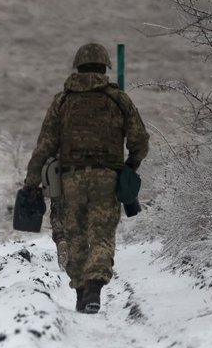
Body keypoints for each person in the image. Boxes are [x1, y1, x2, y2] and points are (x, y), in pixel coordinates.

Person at [22, 43, 149, 313]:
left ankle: (81, 289)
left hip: (71, 180)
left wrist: (31, 181)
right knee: (102, 234)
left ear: (78, 67)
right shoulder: (118, 99)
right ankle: (94, 287)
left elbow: (44, 146)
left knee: (75, 235)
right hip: (107, 178)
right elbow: (140, 139)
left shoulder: (63, 100)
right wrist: (130, 166)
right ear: (104, 68)